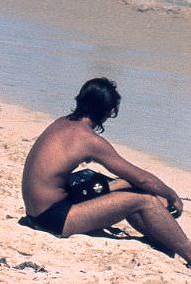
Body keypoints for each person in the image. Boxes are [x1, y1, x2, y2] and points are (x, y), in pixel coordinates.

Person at [22, 78, 191, 265]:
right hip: (52, 217)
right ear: (106, 112)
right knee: (144, 199)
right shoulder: (88, 139)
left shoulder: (62, 123)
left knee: (124, 183)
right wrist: (172, 195)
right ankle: (188, 252)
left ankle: (162, 237)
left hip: (37, 209)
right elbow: (143, 180)